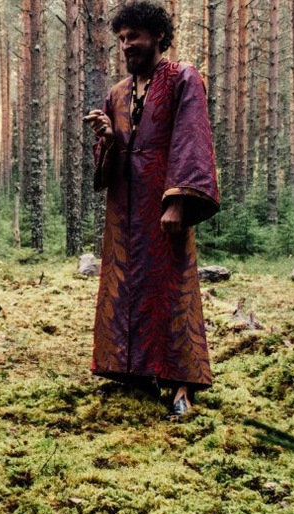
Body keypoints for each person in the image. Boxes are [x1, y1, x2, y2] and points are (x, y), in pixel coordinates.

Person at [84, 0, 220, 417]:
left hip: (163, 202)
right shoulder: (117, 94)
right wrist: (108, 137)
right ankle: (133, 374)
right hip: (124, 209)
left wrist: (178, 200)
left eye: (135, 37)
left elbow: (191, 138)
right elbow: (107, 167)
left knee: (170, 287)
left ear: (158, 36)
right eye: (122, 39)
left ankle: (180, 384)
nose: (127, 45)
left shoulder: (182, 78)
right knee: (124, 286)